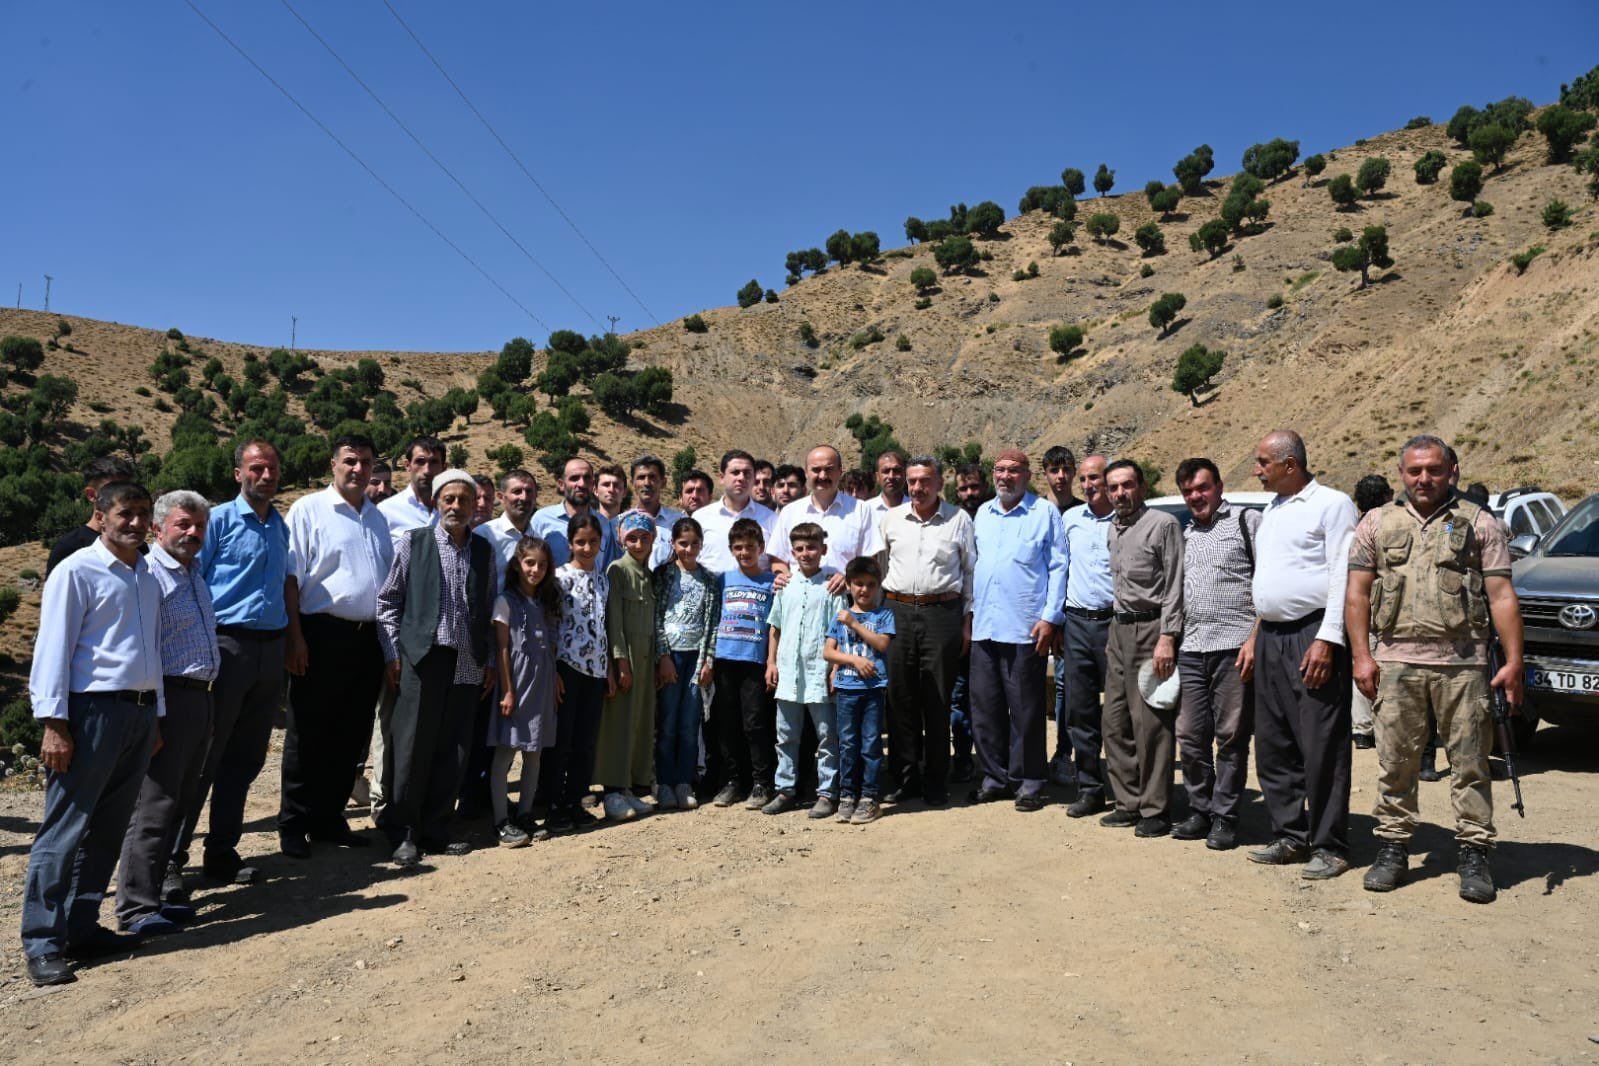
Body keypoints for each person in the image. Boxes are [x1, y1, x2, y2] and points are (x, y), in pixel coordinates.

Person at [1346, 435, 1524, 904]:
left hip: (1463, 666)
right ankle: (1393, 847)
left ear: (1452, 471)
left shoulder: (1480, 523)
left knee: (1470, 763)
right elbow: (1357, 593)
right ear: (1401, 474)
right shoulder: (1376, 522)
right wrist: (1362, 655)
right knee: (1395, 763)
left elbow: (1502, 596)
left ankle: (1474, 852)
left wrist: (1513, 661)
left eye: (1433, 470)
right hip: (1396, 664)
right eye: (1414, 471)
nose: (1423, 479)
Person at [22, 482, 163, 987]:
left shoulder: (146, 574)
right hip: (90, 714)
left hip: (138, 713)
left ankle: (81, 928)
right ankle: (42, 941)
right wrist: (53, 724)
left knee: (107, 829)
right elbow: (53, 649)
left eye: (144, 513)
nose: (136, 523)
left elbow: (151, 650)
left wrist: (157, 715)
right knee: (64, 830)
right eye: (126, 513)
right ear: (101, 517)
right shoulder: (77, 571)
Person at [175, 440, 291, 891]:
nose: (266, 476)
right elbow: (190, 581)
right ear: (239, 473)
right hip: (225, 646)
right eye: (257, 468)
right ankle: (171, 860)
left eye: (272, 468)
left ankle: (221, 853)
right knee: (203, 758)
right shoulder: (217, 521)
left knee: (244, 759)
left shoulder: (279, 526)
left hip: (269, 651)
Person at [1248, 430, 1359, 879]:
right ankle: (1289, 835)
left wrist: (1328, 638)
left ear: (1290, 464)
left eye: (1263, 462)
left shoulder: (1332, 505)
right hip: (1271, 636)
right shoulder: (1271, 510)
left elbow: (1342, 575)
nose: (1256, 470)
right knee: (1274, 742)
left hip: (1312, 635)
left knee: (1321, 743)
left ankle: (1330, 845)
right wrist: (1255, 635)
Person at [281, 434, 394, 860]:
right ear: (333, 464)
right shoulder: (309, 509)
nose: (358, 469)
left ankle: (328, 819)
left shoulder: (377, 517)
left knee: (351, 734)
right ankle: (294, 823)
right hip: (321, 633)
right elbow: (291, 578)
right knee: (308, 732)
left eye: (366, 461)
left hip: (367, 639)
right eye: (350, 460)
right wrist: (295, 637)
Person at [115, 491, 217, 936]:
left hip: (201, 698)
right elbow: (147, 650)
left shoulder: (192, 573)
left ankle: (155, 896)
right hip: (170, 698)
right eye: (183, 525)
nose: (192, 533)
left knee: (180, 802)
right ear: (158, 529)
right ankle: (135, 907)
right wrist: (155, 716)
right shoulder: (150, 575)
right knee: (153, 806)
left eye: (199, 526)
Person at [969, 450, 1066, 811]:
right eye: (1000, 470)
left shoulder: (1044, 513)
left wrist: (1051, 617)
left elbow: (1058, 566)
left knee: (1026, 710)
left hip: (1026, 628)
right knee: (985, 708)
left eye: (1013, 471)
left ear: (1027, 475)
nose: (1005, 476)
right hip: (984, 627)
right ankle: (995, 778)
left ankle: (1029, 781)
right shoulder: (984, 513)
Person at [1172, 458, 1260, 851]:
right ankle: (1200, 809)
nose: (1196, 496)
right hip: (1191, 648)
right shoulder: (1186, 534)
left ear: (1220, 486)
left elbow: (1268, 583)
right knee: (1190, 735)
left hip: (1234, 649)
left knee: (1230, 737)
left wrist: (1255, 638)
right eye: (1188, 491)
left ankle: (1225, 816)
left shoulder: (1247, 522)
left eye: (1202, 488)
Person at [879, 457, 975, 808]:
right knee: (899, 699)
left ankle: (936, 779)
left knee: (938, 699)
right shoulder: (891, 519)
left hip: (942, 614)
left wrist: (967, 621)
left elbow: (970, 572)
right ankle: (905, 778)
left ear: (939, 483)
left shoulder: (958, 520)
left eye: (925, 481)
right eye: (912, 481)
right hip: (898, 611)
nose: (917, 488)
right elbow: (881, 566)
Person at [1101, 461, 1184, 837]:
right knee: (1114, 722)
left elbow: (1175, 583)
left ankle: (1155, 809)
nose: (1120, 493)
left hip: (1152, 630)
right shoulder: (1113, 528)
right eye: (1114, 487)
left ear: (1142, 486)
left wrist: (1168, 636)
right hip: (1119, 630)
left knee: (1150, 725)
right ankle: (1128, 802)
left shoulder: (1162, 525)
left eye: (1127, 485)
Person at [764, 522, 844, 817]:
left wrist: (835, 668)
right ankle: (785, 789)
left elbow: (839, 631)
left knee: (827, 735)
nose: (806, 553)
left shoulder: (831, 587)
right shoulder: (785, 586)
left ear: (823, 549)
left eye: (811, 547)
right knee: (786, 735)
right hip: (788, 672)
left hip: (819, 672)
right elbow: (775, 627)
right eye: (799, 549)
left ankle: (827, 792)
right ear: (792, 552)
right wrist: (771, 662)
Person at [488, 536, 561, 848]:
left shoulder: (544, 602)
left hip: (542, 684)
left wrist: (555, 678)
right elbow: (503, 649)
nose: (535, 570)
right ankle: (501, 820)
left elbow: (549, 647)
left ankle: (525, 813)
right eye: (530, 563)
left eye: (542, 565)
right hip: (516, 685)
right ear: (518, 564)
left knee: (534, 753)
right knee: (506, 751)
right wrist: (507, 691)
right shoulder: (505, 601)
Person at [1057, 456, 1116, 816]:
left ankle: (1128, 791)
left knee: (1122, 713)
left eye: (1094, 478)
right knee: (1080, 713)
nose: (1088, 485)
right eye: (1083, 479)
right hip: (1076, 623)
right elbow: (1059, 569)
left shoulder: (1124, 520)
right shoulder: (1070, 519)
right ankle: (1090, 789)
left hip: (1115, 625)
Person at [546, 515, 609, 833]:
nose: (587, 548)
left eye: (593, 542)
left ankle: (575, 800)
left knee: (585, 741)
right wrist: (553, 671)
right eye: (580, 542)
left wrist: (609, 668)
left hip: (596, 671)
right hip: (567, 667)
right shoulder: (559, 578)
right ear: (570, 543)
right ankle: (553, 804)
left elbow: (604, 625)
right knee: (562, 740)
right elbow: (550, 626)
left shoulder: (603, 579)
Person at [708, 518, 778, 807]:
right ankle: (733, 781)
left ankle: (762, 782)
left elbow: (775, 626)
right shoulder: (723, 580)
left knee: (755, 723)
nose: (744, 552)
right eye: (738, 547)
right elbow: (712, 618)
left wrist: (771, 661)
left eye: (750, 546)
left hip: (754, 662)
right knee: (727, 722)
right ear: (731, 549)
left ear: (761, 547)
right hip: (725, 659)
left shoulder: (772, 583)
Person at [596, 512, 660, 822]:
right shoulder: (617, 570)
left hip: (646, 658)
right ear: (622, 540)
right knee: (619, 723)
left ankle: (629, 787)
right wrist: (620, 660)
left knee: (639, 722)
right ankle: (612, 791)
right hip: (628, 658)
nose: (638, 544)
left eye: (644, 538)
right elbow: (614, 619)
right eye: (632, 538)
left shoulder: (648, 574)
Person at [825, 557, 896, 824]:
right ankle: (847, 796)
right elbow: (828, 652)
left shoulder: (883, 615)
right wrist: (854, 660)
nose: (864, 590)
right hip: (846, 689)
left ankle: (869, 797)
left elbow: (882, 644)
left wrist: (854, 624)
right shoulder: (840, 615)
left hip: (873, 690)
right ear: (848, 585)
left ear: (878, 586)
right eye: (858, 584)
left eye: (870, 584)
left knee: (870, 743)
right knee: (848, 744)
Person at [652, 517, 717, 812]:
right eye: (683, 543)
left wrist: (708, 661)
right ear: (673, 544)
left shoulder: (708, 580)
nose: (688, 549)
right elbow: (656, 616)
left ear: (701, 544)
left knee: (690, 723)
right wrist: (663, 656)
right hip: (671, 657)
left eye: (694, 544)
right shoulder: (664, 575)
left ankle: (684, 782)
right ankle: (664, 783)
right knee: (667, 723)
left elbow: (712, 622)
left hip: (696, 658)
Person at [771, 445, 883, 590]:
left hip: (845, 596)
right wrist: (783, 576)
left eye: (829, 469)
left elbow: (869, 558)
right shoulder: (790, 512)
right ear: (806, 473)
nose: (823, 476)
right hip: (800, 596)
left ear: (840, 471)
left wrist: (848, 578)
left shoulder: (861, 510)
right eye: (816, 470)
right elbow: (778, 558)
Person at [949, 462, 991, 783]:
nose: (969, 494)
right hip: (960, 619)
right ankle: (963, 757)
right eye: (963, 488)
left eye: (974, 487)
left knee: (989, 696)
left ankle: (993, 759)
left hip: (992, 620)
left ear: (984, 487)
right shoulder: (953, 520)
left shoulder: (993, 518)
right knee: (959, 696)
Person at [1349, 474, 1395, 752]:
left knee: (1361, 660)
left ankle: (1361, 729)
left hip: (1359, 606)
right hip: (1386, 606)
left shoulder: (1355, 526)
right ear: (1387, 496)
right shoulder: (1389, 523)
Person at [45, 455, 137, 576]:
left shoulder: (137, 547)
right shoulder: (69, 549)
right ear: (91, 495)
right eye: (112, 490)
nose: (123, 497)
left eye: (127, 490)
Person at [694, 450, 778, 574]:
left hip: (757, 586)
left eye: (747, 473)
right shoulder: (701, 517)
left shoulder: (771, 519)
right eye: (735, 472)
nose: (741, 478)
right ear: (721, 478)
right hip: (711, 585)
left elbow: (778, 561)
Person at [532, 457, 619, 568]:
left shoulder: (603, 524)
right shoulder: (542, 519)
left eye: (587, 478)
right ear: (561, 484)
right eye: (574, 478)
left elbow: (608, 568)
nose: (582, 484)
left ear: (593, 484)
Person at [474, 469, 540, 588]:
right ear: (501, 497)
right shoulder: (484, 534)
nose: (524, 497)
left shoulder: (538, 540)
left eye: (529, 491)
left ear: (536, 495)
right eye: (517, 491)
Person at [377, 436, 444, 540]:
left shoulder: (457, 510)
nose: (427, 470)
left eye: (434, 462)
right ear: (407, 465)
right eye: (420, 462)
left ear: (444, 467)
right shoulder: (385, 510)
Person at [626, 454, 684, 568]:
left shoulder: (679, 522)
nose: (647, 483)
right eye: (641, 477)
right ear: (632, 483)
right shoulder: (621, 523)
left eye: (652, 477)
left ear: (663, 482)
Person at [866, 450, 908, 514]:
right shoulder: (866, 510)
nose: (891, 476)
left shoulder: (916, 508)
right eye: (886, 471)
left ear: (904, 475)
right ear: (877, 476)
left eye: (896, 470)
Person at [1042, 446, 1081, 514]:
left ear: (1074, 472)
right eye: (1054, 470)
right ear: (1045, 475)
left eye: (1066, 469)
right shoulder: (1034, 511)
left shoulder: (1085, 512)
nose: (1061, 476)